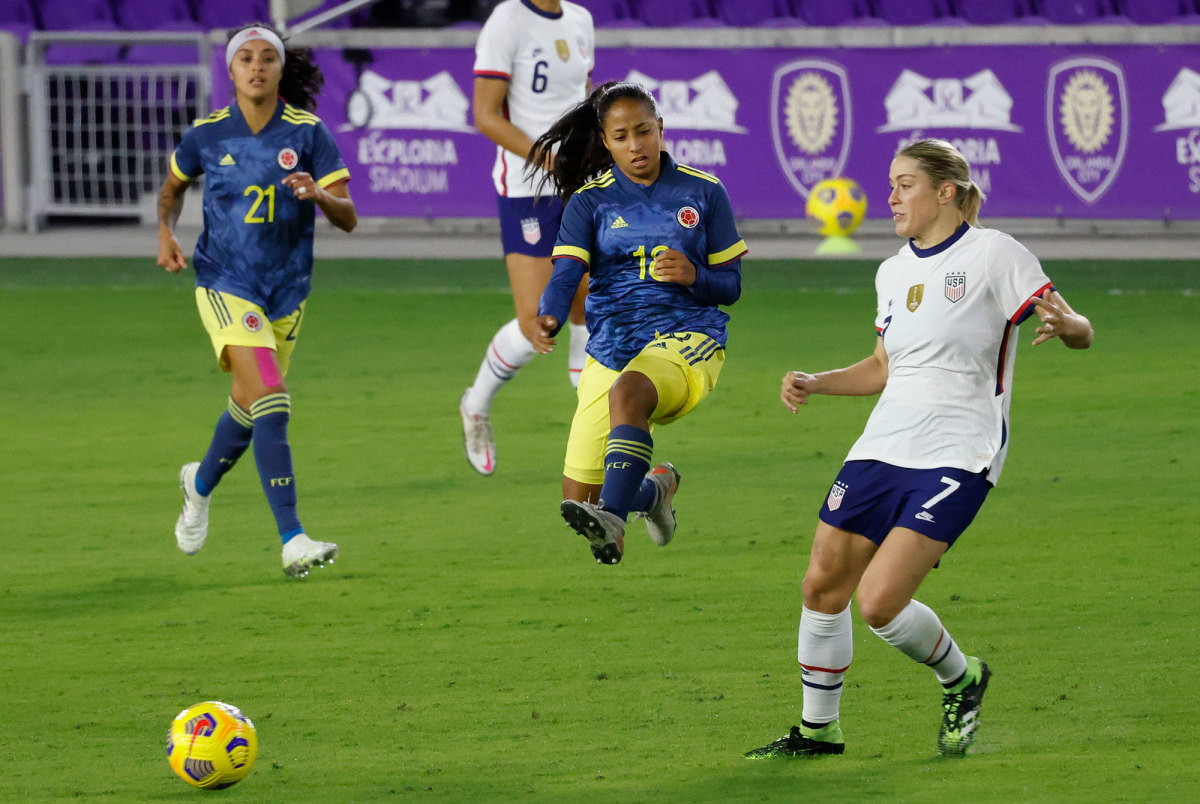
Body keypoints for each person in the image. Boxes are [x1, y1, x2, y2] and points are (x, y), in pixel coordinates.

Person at [746, 139, 1093, 759]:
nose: (891, 196)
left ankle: (962, 678)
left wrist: (1069, 328)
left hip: (961, 449)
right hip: (883, 442)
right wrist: (818, 382)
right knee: (822, 583)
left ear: (946, 192)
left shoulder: (994, 254)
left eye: (905, 184)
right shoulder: (892, 271)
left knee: (879, 602)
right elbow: (884, 366)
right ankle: (819, 731)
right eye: (891, 183)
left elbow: (1079, 328)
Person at [156, 23, 357, 577]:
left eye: (267, 57)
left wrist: (318, 193)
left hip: (287, 293)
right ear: (231, 70)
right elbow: (171, 191)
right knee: (272, 395)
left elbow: (349, 217)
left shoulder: (309, 133)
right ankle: (292, 538)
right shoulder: (206, 135)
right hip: (225, 282)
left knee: (248, 409)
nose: (257, 66)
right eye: (245, 58)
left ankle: (198, 487)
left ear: (279, 68)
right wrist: (166, 234)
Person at [530, 81, 748, 565]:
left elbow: (731, 285)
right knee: (577, 503)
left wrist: (695, 276)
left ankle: (614, 516)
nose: (636, 145)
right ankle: (653, 494)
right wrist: (548, 313)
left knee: (628, 394)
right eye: (623, 136)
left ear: (661, 129)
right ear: (607, 142)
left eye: (644, 131)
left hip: (688, 339)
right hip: (613, 346)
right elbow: (567, 272)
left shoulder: (705, 192)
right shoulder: (589, 202)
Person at [460, 0, 595, 476]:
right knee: (541, 322)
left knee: (590, 306)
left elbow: (583, 95)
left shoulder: (580, 20)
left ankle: (599, 437)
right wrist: (550, 161)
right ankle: (475, 406)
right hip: (528, 188)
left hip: (580, 184)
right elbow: (484, 114)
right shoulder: (508, 21)